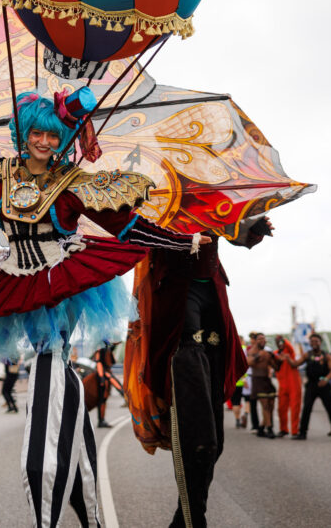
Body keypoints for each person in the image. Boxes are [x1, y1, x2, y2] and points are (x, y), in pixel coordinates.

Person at [0, 90, 207, 527]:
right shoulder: (0, 177)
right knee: (53, 369)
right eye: (36, 133)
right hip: (16, 280)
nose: (44, 143)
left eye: (53, 136)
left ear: (64, 138)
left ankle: (48, 492)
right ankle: (85, 502)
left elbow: (127, 227)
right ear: (23, 134)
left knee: (51, 359)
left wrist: (182, 241)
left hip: (62, 280)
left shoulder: (72, 183)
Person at [130, 215, 269, 527]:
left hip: (214, 298)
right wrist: (183, 239)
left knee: (214, 443)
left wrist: (254, 227)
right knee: (200, 441)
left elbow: (236, 233)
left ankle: (183, 520)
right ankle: (194, 521)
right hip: (176, 298)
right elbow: (134, 233)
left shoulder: (212, 188)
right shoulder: (160, 192)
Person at [288, 333, 331, 441]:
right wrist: (287, 357)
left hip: (324, 385)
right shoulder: (307, 355)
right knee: (306, 409)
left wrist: (326, 379)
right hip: (311, 385)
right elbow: (295, 364)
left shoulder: (326, 356)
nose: (314, 343)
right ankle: (302, 433)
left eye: (316, 341)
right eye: (312, 341)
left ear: (320, 342)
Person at [274, 335, 302, 437]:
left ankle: (294, 431)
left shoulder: (289, 352)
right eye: (278, 342)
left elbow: (288, 346)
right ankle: (283, 429)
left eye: (281, 342)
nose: (280, 344)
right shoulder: (276, 354)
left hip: (294, 384)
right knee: (281, 408)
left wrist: (283, 340)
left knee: (295, 408)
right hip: (282, 385)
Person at [91, 343, 121, 428]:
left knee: (103, 399)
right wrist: (101, 377)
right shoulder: (100, 348)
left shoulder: (105, 348)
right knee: (102, 399)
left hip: (105, 374)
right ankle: (101, 420)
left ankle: (102, 420)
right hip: (103, 375)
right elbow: (98, 362)